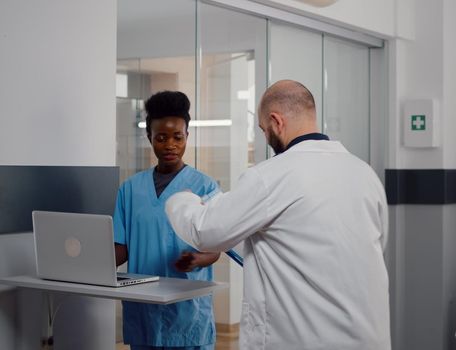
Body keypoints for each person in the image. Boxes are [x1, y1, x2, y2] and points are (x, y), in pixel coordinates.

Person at [165, 80, 391, 350]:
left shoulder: (270, 176)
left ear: (276, 121)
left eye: (263, 129)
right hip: (367, 338)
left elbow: (205, 231)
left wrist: (181, 198)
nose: (266, 137)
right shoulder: (364, 173)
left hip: (301, 340)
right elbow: (365, 246)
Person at [113, 90, 221, 350]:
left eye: (178, 137)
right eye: (161, 138)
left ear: (187, 136)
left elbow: (215, 249)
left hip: (187, 311)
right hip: (143, 309)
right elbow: (120, 250)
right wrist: (81, 264)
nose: (170, 145)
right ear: (149, 137)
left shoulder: (204, 186)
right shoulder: (130, 189)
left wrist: (196, 259)